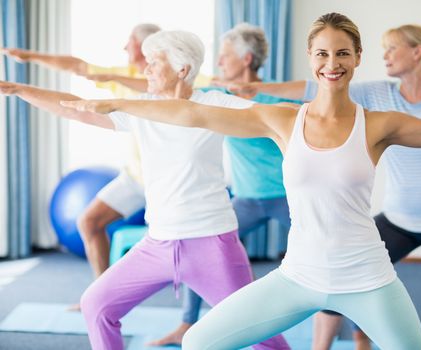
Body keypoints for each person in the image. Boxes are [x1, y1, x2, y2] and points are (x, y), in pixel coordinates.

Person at [62, 12, 421, 349]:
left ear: (356, 58)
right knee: (200, 340)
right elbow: (193, 110)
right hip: (299, 276)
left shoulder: (380, 123)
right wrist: (122, 104)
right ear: (311, 57)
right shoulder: (283, 120)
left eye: (343, 52)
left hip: (366, 277)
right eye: (322, 52)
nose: (332, 62)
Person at [226, 22, 421, 350]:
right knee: (337, 279)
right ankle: (340, 344)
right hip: (399, 218)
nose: (385, 55)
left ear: (417, 52)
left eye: (392, 48)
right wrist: (255, 89)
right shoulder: (376, 93)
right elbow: (310, 87)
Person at [0, 30, 290, 350]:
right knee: (96, 304)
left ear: (182, 70)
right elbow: (74, 109)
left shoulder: (215, 104)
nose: (146, 69)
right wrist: (17, 89)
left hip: (211, 243)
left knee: (263, 338)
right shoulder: (140, 110)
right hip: (157, 245)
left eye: (154, 62)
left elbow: (267, 118)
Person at [148, 22, 300, 347]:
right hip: (246, 198)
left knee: (330, 249)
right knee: (197, 242)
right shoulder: (218, 95)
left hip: (287, 197)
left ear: (246, 59)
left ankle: (357, 334)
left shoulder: (275, 93)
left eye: (225, 57)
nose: (219, 63)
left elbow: (302, 126)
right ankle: (186, 323)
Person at [1, 24, 161, 310]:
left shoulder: (174, 81)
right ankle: (102, 296)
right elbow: (78, 67)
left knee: (179, 246)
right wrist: (31, 57)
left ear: (145, 45)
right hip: (135, 178)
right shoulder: (121, 79)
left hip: (166, 182)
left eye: (129, 42)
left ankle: (189, 314)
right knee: (89, 222)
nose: (124, 48)